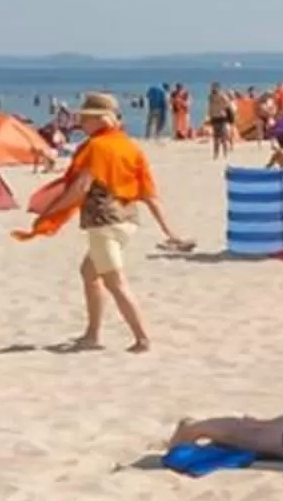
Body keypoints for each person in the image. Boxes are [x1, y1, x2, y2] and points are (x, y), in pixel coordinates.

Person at [18, 92, 189, 352]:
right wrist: (168, 230)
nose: (82, 123)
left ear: (101, 120)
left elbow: (80, 187)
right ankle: (92, 334)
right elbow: (149, 194)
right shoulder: (129, 146)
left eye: (87, 118)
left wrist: (49, 213)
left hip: (104, 222)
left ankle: (142, 338)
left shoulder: (96, 148)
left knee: (115, 282)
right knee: (89, 272)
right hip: (128, 221)